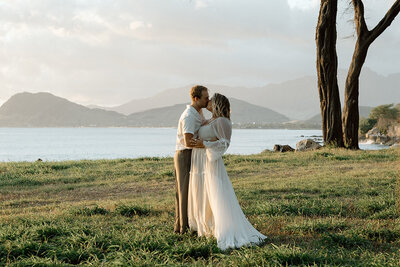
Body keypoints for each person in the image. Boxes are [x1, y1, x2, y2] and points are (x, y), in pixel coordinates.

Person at [187, 93, 267, 250]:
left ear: (216, 104)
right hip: (200, 162)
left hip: (211, 163)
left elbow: (224, 143)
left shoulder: (222, 121)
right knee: (203, 193)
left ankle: (224, 228)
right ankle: (207, 227)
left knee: (217, 195)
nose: (207, 102)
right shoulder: (209, 120)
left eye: (210, 100)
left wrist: (205, 144)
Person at [174, 85, 209, 234]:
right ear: (196, 98)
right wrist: (208, 145)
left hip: (193, 154)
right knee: (184, 191)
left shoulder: (199, 112)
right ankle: (183, 228)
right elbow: (188, 142)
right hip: (184, 154)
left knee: (191, 191)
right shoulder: (189, 115)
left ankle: (186, 225)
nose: (208, 100)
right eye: (205, 98)